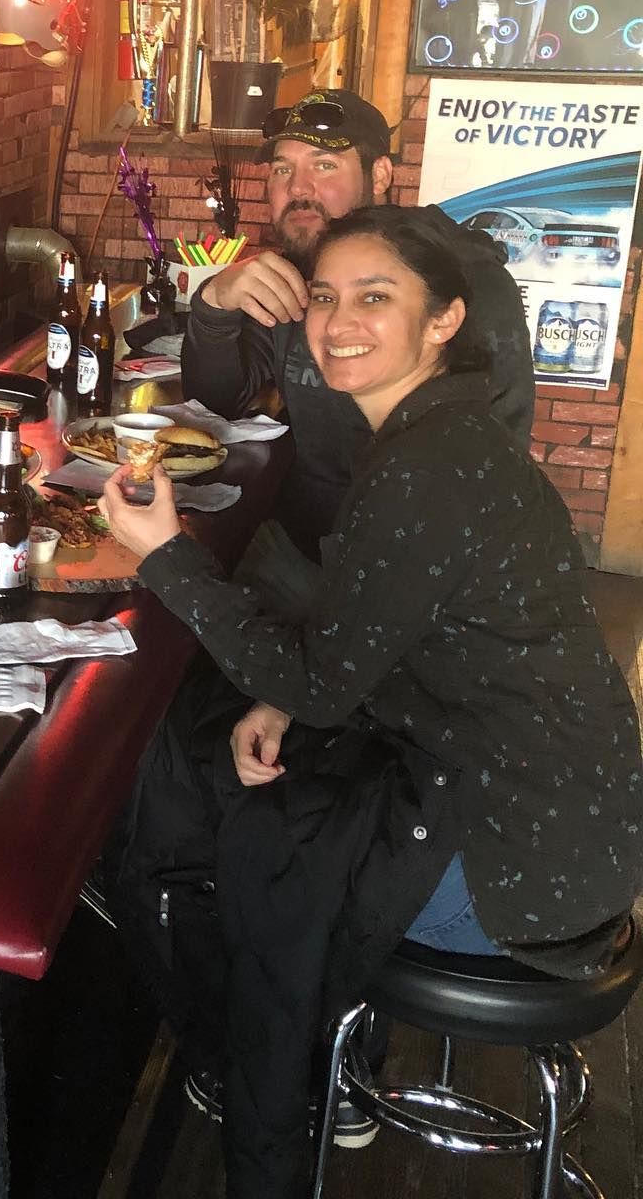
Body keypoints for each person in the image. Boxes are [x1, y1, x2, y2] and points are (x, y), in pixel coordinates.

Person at [102, 205, 643, 1199]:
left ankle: (254, 1069)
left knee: (195, 806)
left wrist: (167, 554)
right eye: (324, 296)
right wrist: (294, 702)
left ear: (443, 320)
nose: (338, 321)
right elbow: (372, 651)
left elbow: (321, 676)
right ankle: (270, 1055)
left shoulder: (427, 467)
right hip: (568, 831)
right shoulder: (445, 436)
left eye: (375, 297)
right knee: (238, 761)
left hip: (522, 881)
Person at [182, 88, 534, 617]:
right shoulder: (292, 274)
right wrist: (214, 303)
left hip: (419, 573)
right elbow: (217, 405)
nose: (298, 188)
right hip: (300, 550)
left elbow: (494, 466)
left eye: (324, 165)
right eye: (282, 169)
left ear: (382, 175)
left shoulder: (463, 283)